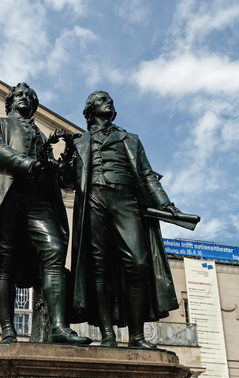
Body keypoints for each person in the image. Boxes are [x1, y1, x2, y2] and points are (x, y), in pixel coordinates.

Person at [0, 82, 91, 345]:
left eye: (29, 96)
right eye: (19, 95)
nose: (24, 98)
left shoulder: (41, 136)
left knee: (55, 252)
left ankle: (59, 327)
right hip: (7, 194)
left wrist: (69, 151)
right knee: (3, 262)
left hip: (39, 200)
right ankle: (8, 331)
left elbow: (62, 177)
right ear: (11, 102)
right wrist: (28, 163)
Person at [64, 90, 182, 348]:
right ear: (90, 110)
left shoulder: (130, 139)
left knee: (138, 264)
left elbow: (147, 174)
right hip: (93, 200)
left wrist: (164, 203)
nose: (108, 101)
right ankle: (108, 335)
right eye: (101, 99)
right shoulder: (80, 142)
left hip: (126, 200)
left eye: (109, 100)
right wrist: (66, 151)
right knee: (99, 267)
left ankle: (137, 336)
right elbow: (66, 179)